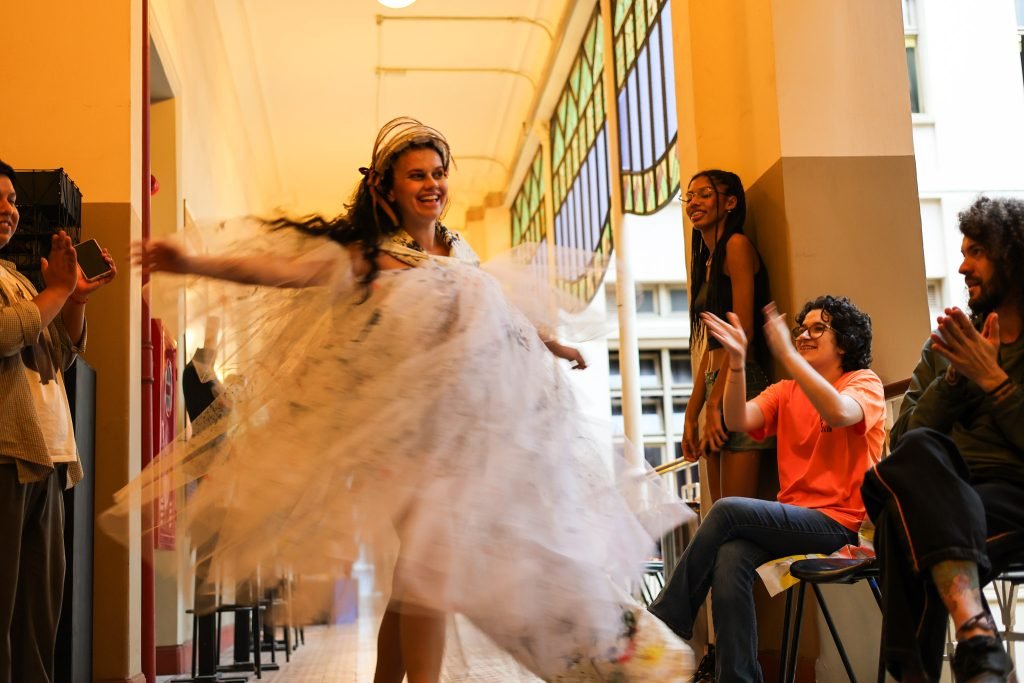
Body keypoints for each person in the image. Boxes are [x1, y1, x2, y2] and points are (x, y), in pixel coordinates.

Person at [123, 118, 693, 682]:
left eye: (438, 172)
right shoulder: (370, 257)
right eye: (416, 174)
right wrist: (193, 262)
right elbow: (282, 270)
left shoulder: (459, 249)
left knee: (415, 582)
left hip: (464, 442)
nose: (432, 184)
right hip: (403, 446)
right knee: (431, 574)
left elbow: (495, 314)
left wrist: (551, 342)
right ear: (388, 188)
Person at [650, 295, 885, 682]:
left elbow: (840, 412)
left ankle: (667, 619)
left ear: (844, 342)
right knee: (730, 557)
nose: (804, 335)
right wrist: (738, 364)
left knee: (726, 509)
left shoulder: (863, 383)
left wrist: (787, 354)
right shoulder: (786, 391)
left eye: (817, 328)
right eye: (801, 329)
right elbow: (738, 418)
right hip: (794, 523)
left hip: (842, 526)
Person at [861, 196, 1024, 682]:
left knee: (900, 521)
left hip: (1013, 493)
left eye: (976, 251)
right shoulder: (946, 346)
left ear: (1012, 257)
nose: (962, 265)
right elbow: (904, 441)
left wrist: (993, 381)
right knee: (921, 460)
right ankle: (976, 637)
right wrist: (955, 380)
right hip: (948, 486)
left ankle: (933, 665)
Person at [0, 159, 116, 682]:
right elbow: (5, 335)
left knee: (40, 611)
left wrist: (74, 302)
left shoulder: (17, 279)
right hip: (6, 455)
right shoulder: (29, 287)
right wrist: (57, 292)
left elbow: (58, 357)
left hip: (46, 456)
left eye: (13, 202)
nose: (10, 211)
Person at [682, 170, 774, 502]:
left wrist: (713, 401)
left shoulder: (736, 246)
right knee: (720, 513)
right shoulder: (707, 261)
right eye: (689, 197)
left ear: (730, 202)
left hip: (742, 384)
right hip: (716, 384)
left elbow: (743, 332)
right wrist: (692, 412)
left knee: (735, 516)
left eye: (704, 194)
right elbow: (713, 343)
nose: (694, 203)